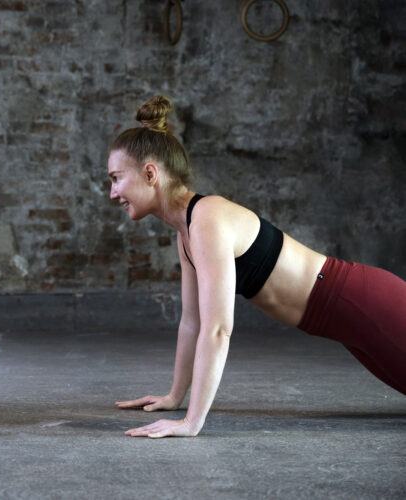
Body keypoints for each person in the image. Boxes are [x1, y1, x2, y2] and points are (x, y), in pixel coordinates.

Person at [108, 95, 406, 439]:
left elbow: (219, 329)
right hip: (345, 325)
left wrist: (192, 423)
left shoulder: (207, 219)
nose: (113, 193)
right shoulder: (186, 231)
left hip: (361, 301)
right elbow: (193, 322)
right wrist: (175, 396)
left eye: (116, 178)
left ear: (149, 173)